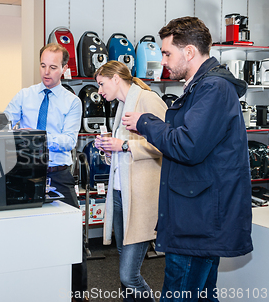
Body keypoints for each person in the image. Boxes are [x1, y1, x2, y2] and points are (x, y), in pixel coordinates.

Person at [122, 16, 253, 301]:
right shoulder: (203, 87)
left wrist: (146, 122)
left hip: (198, 224)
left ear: (189, 52)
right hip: (196, 217)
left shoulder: (213, 89)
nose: (164, 60)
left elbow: (187, 145)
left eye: (168, 53)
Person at [4, 43, 87, 302]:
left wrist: (32, 136)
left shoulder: (72, 102)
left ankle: (79, 292)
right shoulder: (24, 96)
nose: (46, 72)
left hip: (59, 174)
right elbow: (3, 125)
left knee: (72, 236)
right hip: (26, 174)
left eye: (53, 67)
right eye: (42, 65)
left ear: (64, 68)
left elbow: (68, 141)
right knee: (26, 235)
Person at [93, 61, 167, 302]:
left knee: (128, 275)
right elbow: (122, 154)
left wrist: (123, 145)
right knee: (125, 265)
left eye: (102, 84)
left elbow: (165, 144)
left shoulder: (147, 99)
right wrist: (108, 148)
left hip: (140, 197)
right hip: (120, 193)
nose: (100, 91)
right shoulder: (122, 105)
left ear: (116, 78)